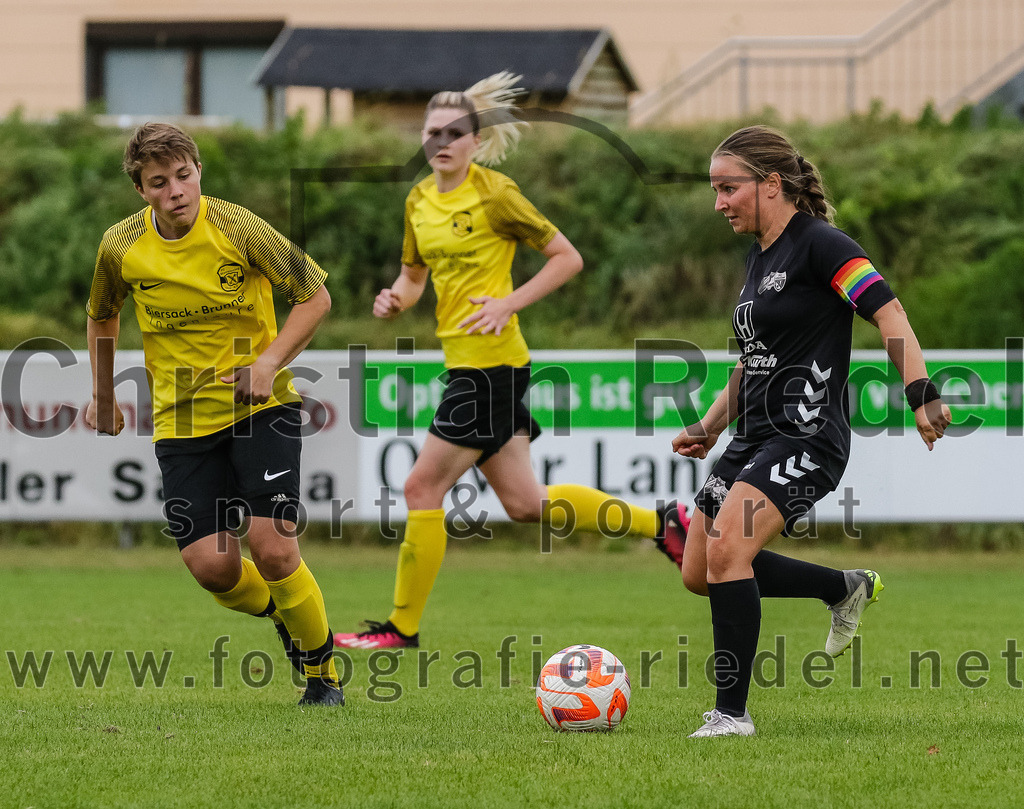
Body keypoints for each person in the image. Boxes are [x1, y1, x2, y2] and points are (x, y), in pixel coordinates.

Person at [334, 72, 688, 651]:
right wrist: (395, 299)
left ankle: (400, 628)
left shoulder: (496, 193)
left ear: (476, 141)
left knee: (421, 487)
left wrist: (508, 303)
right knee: (526, 504)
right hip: (469, 365)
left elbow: (567, 257)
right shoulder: (418, 200)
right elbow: (413, 277)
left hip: (491, 367)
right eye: (432, 131)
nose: (442, 141)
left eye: (455, 132)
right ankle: (663, 523)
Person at [672, 125, 952, 737]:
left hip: (807, 436)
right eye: (715, 190)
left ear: (771, 184)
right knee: (698, 571)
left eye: (728, 188)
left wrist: (920, 391)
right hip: (752, 436)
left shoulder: (823, 246)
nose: (718, 203)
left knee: (728, 551)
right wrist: (710, 425)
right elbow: (753, 360)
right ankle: (842, 587)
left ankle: (731, 715)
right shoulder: (759, 257)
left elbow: (888, 311)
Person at [86, 123, 343, 706]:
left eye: (184, 175)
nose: (175, 190)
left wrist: (268, 362)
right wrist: (103, 395)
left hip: (261, 407)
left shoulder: (238, 227)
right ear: (140, 189)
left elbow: (315, 296)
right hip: (180, 422)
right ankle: (285, 614)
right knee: (213, 569)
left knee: (273, 548)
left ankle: (322, 678)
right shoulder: (120, 245)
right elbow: (102, 314)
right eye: (159, 182)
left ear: (198, 171)